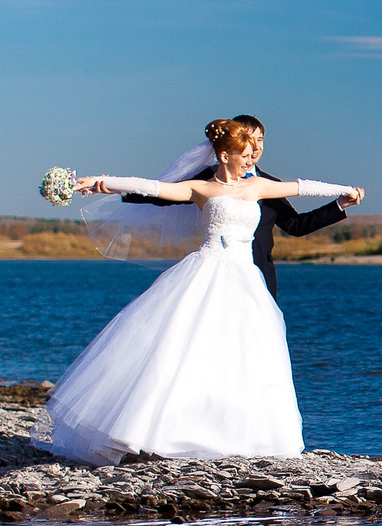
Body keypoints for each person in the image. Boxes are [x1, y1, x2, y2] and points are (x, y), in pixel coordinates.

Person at [44, 118, 364, 466]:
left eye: (256, 146)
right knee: (191, 349)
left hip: (249, 280)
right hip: (207, 272)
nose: (252, 155)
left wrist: (343, 193)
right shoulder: (201, 188)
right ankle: (169, 434)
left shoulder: (258, 187)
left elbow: (302, 187)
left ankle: (246, 434)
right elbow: (152, 188)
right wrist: (101, 183)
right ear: (225, 154)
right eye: (245, 150)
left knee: (250, 354)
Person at [121, 114, 363, 298]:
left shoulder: (268, 185)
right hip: (216, 275)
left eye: (260, 139)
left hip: (259, 276)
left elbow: (296, 225)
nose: (255, 146)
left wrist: (339, 204)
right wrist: (119, 188)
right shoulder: (208, 179)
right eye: (249, 139)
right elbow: (162, 193)